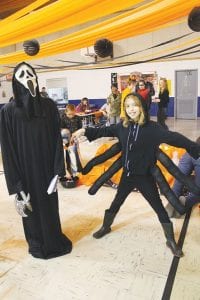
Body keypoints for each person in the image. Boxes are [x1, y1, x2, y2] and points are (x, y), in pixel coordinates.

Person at [72, 92, 200, 258]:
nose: (131, 109)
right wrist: (83, 130)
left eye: (134, 105)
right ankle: (106, 226)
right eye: (128, 106)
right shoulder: (122, 126)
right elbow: (103, 130)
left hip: (145, 178)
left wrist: (196, 149)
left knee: (159, 209)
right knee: (115, 203)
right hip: (127, 176)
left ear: (141, 107)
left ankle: (170, 240)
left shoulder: (153, 129)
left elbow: (175, 138)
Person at [0, 62, 72, 259]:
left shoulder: (48, 106)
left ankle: (53, 239)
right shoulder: (8, 112)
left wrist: (58, 171)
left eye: (31, 72)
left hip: (47, 170)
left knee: (49, 208)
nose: (28, 76)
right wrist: (16, 185)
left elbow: (57, 140)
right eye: (23, 74)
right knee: (31, 209)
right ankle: (37, 243)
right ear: (16, 80)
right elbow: (7, 150)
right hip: (25, 172)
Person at [165, 136, 200, 218]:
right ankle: (185, 203)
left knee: (178, 182)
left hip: (189, 153)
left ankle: (172, 202)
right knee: (198, 190)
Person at [60, 104, 82, 181]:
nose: (71, 116)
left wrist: (75, 136)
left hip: (75, 137)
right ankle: (66, 169)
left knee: (74, 152)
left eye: (73, 114)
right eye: (69, 114)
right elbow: (62, 130)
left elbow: (80, 129)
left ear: (75, 111)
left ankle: (76, 169)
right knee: (66, 153)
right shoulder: (62, 118)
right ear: (66, 112)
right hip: (65, 138)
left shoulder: (78, 118)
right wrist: (68, 140)